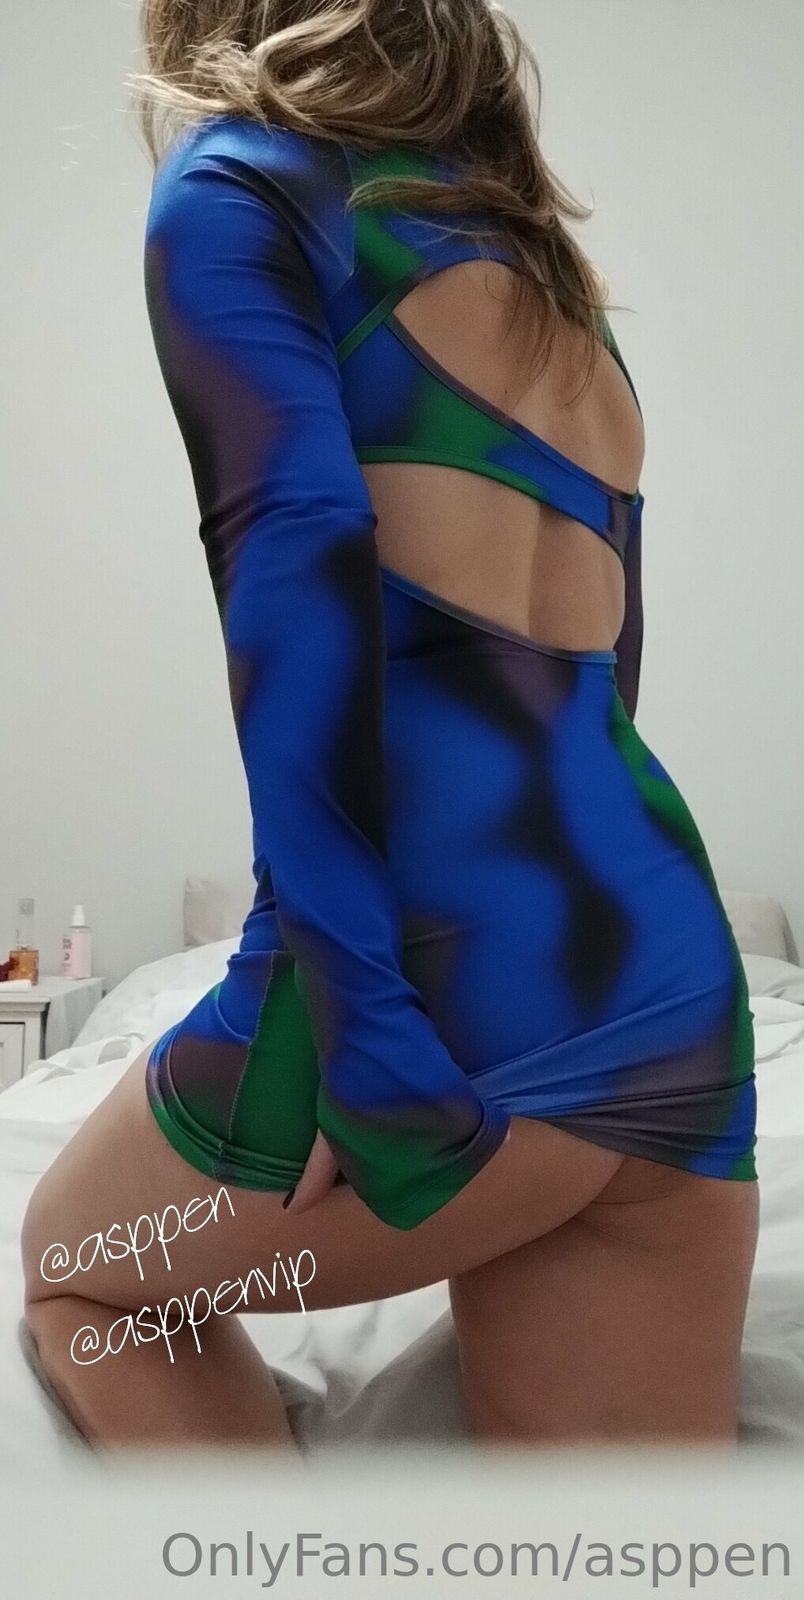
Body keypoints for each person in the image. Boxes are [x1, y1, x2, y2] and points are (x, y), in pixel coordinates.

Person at [22, 0, 758, 1449]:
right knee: (616, 1551)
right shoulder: (550, 285)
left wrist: (362, 1035)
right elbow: (608, 675)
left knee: (83, 1283)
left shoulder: (239, 184)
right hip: (669, 988)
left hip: (441, 996)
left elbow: (298, 594)